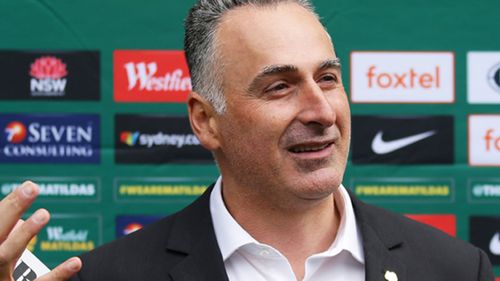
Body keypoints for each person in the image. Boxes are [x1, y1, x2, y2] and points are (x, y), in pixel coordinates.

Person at [0, 0, 494, 280]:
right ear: (205, 120)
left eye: (327, 78)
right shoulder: (109, 277)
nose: (321, 112)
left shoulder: (454, 269)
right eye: (279, 86)